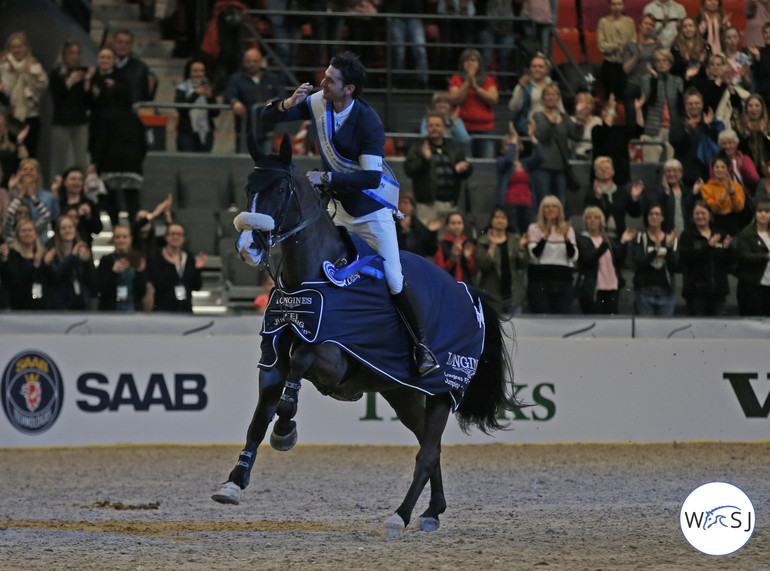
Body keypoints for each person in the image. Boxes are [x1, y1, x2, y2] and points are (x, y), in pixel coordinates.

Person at [261, 51, 440, 375]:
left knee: (395, 279)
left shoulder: (368, 121)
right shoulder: (319, 102)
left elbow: (371, 178)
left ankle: (422, 347)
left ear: (350, 89)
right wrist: (287, 104)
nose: (322, 82)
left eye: (331, 80)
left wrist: (327, 177)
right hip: (337, 208)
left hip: (370, 213)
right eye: (325, 76)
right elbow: (266, 119)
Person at [90, 87, 148, 228]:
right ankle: (133, 231)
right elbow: (144, 144)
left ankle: (116, 228)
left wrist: (95, 162)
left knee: (111, 200)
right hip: (132, 166)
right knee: (132, 201)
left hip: (110, 165)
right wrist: (137, 161)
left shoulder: (105, 116)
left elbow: (99, 142)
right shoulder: (134, 118)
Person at [404, 110, 473, 227]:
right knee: (426, 238)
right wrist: (424, 159)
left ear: (444, 128)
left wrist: (463, 169)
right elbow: (409, 170)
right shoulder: (418, 146)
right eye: (431, 125)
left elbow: (466, 169)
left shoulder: (453, 147)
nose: (434, 128)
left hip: (450, 204)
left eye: (437, 125)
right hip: (427, 205)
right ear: (426, 128)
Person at [532, 84, 586, 208]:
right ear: (543, 98)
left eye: (554, 95)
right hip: (543, 166)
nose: (551, 98)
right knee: (543, 202)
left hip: (561, 166)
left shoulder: (564, 117)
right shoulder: (538, 116)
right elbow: (541, 135)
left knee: (560, 202)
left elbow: (576, 135)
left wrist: (579, 119)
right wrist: (552, 122)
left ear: (558, 98)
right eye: (548, 95)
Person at [678, 200, 735, 315]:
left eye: (703, 213)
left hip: (718, 291)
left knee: (718, 329)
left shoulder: (720, 234)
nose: (700, 216)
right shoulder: (687, 236)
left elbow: (730, 263)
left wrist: (727, 249)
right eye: (697, 213)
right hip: (696, 293)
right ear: (692, 216)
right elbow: (687, 258)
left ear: (710, 215)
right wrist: (708, 246)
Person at [576, 206, 635, 314]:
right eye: (589, 217)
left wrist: (623, 242)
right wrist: (604, 245)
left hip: (612, 286)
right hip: (593, 289)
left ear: (601, 221)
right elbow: (588, 258)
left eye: (596, 217)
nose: (592, 220)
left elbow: (618, 260)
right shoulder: (581, 239)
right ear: (585, 221)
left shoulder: (609, 240)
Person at [224, 47, 283, 153]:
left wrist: (275, 101)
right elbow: (229, 94)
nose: (252, 64)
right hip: (245, 128)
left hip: (268, 128)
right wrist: (235, 102)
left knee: (267, 162)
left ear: (261, 62)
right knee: (244, 163)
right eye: (248, 61)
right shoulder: (236, 79)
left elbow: (282, 94)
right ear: (244, 62)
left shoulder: (272, 78)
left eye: (255, 61)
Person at [526, 196, 578, 314]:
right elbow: (534, 254)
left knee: (561, 317)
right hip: (540, 280)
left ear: (559, 210)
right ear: (542, 210)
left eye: (554, 206)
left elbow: (574, 256)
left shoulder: (567, 229)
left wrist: (565, 239)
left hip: (563, 280)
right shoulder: (534, 228)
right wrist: (546, 235)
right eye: (547, 207)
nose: (550, 209)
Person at [0, 32, 48, 158]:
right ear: (9, 49)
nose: (16, 49)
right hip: (10, 118)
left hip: (30, 117)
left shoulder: (35, 68)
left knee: (29, 156)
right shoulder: (3, 67)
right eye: (13, 46)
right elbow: (4, 92)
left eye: (19, 46)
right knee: (10, 157)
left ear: (26, 48)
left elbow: (41, 88)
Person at [49, 39, 92, 179]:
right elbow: (56, 96)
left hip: (80, 123)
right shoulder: (56, 74)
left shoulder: (84, 73)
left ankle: (80, 193)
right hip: (61, 123)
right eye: (71, 53)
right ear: (65, 55)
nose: (74, 56)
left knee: (81, 161)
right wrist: (69, 82)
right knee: (59, 161)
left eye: (77, 53)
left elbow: (88, 101)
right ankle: (58, 193)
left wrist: (87, 85)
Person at [628, 203, 679, 315]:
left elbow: (675, 265)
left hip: (666, 292)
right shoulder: (640, 238)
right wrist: (655, 251)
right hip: (644, 291)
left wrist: (668, 248)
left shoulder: (670, 239)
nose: (654, 217)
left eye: (657, 214)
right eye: (651, 214)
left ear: (662, 217)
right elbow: (638, 262)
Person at [476, 207, 527, 315]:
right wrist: (492, 247)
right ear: (491, 220)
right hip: (492, 294)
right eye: (497, 217)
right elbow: (483, 266)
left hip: (513, 294)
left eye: (503, 217)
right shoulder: (483, 241)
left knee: (517, 329)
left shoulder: (515, 240)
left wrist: (522, 248)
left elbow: (522, 265)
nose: (500, 220)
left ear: (508, 221)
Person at [146, 223, 207, 313]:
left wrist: (198, 269)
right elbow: (157, 283)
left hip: (185, 310)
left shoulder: (189, 258)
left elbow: (196, 286)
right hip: (163, 310)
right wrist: (172, 266)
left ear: (183, 238)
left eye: (179, 234)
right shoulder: (156, 258)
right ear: (166, 237)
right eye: (172, 234)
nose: (176, 237)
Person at [449, 49, 499, 158]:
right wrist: (467, 82)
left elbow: (493, 100)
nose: (470, 63)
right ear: (462, 64)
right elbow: (455, 99)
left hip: (485, 129)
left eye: (473, 60)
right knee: (465, 163)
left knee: (485, 165)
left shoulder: (488, 80)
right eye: (466, 61)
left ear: (479, 63)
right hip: (462, 129)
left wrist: (476, 87)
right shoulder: (456, 79)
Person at [496, 119, 544, 233]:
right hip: (510, 205)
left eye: (513, 144)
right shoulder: (502, 162)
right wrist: (514, 139)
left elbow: (540, 156)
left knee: (531, 234)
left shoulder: (526, 164)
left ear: (519, 146)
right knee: (513, 235)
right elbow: (509, 158)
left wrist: (532, 136)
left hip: (528, 205)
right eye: (507, 145)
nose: (510, 147)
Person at [669, 89, 724, 186]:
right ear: (685, 106)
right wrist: (687, 132)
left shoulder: (710, 121)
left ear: (702, 104)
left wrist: (707, 126)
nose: (694, 106)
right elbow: (675, 142)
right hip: (686, 174)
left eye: (697, 103)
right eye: (690, 104)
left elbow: (718, 142)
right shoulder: (678, 123)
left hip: (707, 173)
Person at [584, 156, 644, 240]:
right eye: (600, 168)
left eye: (607, 168)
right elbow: (588, 214)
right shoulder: (591, 193)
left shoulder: (622, 192)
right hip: (598, 237)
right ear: (596, 173)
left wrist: (634, 198)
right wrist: (598, 197)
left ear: (613, 172)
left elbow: (635, 213)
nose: (604, 170)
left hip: (620, 236)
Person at [43, 215, 95, 310]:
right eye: (63, 228)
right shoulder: (52, 252)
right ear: (58, 232)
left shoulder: (83, 251)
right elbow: (55, 276)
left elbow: (92, 281)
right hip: (59, 305)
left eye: (70, 227)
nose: (67, 230)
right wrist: (72, 256)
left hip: (81, 303)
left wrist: (86, 262)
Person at [591, 94, 645, 187]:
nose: (608, 113)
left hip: (620, 173)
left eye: (611, 110)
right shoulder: (597, 129)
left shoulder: (621, 130)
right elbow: (606, 128)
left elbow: (639, 129)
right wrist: (611, 107)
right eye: (605, 110)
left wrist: (638, 109)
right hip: (602, 175)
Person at [641, 49, 683, 163]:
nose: (661, 64)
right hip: (654, 130)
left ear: (670, 63)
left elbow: (681, 105)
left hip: (671, 129)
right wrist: (654, 78)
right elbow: (648, 99)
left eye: (664, 60)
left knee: (669, 165)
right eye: (658, 61)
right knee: (653, 165)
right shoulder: (647, 79)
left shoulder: (677, 81)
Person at [689, 53, 749, 129]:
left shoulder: (725, 85)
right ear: (708, 67)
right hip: (707, 122)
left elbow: (737, 104)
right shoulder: (701, 83)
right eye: (712, 65)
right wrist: (719, 80)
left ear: (723, 67)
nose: (715, 67)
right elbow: (710, 101)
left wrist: (729, 86)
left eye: (718, 65)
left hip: (725, 123)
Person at [96, 223, 147, 312]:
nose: (121, 240)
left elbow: (142, 291)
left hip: (132, 306)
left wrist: (140, 272)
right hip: (111, 307)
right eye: (118, 237)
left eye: (124, 237)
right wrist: (113, 272)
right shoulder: (106, 260)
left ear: (130, 239)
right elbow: (100, 288)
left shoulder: (136, 259)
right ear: (113, 239)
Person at [509, 53, 559, 136]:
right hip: (527, 127)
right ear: (530, 69)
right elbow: (513, 108)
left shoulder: (553, 86)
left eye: (540, 67)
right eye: (534, 66)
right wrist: (521, 89)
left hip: (549, 127)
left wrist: (554, 117)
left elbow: (559, 109)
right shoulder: (523, 85)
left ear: (546, 69)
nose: (537, 69)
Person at [174, 59, 219, 152]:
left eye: (202, 71)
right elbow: (181, 109)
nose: (199, 74)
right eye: (195, 71)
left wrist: (210, 98)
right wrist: (195, 95)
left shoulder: (209, 88)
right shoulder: (181, 89)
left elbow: (215, 113)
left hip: (205, 131)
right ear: (189, 72)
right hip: (187, 132)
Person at [383, 1, 429, 89]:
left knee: (420, 49)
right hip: (396, 15)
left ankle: (423, 81)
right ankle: (397, 81)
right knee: (399, 51)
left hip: (415, 15)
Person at [700, 153, 748, 237]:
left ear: (727, 169)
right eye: (717, 167)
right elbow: (712, 209)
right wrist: (725, 194)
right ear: (713, 169)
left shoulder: (736, 187)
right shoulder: (705, 187)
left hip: (733, 224)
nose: (719, 169)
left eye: (723, 167)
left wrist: (732, 193)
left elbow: (739, 208)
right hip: (714, 224)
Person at [0, 219, 45, 309]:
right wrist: (35, 265)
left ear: (35, 233)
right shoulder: (12, 254)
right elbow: (14, 280)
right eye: (24, 231)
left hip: (39, 303)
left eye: (30, 230)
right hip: (16, 303)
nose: (27, 233)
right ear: (18, 235)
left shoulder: (42, 253)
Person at [736, 198, 770, 315]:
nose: (763, 214)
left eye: (767, 211)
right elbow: (744, 255)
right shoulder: (747, 234)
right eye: (760, 211)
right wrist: (765, 256)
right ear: (755, 214)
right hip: (753, 285)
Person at [622, 14, 657, 128]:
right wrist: (637, 54)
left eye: (651, 25)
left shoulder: (656, 45)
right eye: (646, 24)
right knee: (632, 120)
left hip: (649, 85)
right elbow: (625, 69)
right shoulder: (630, 44)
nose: (648, 27)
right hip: (633, 84)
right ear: (640, 26)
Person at [645, 158, 696, 235]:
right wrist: (666, 193)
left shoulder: (687, 192)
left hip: (686, 235)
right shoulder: (657, 192)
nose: (671, 174)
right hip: (665, 235)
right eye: (668, 171)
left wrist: (695, 194)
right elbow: (652, 209)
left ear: (681, 173)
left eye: (675, 171)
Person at [598, 0, 637, 100]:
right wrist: (617, 46)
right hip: (610, 64)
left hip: (627, 64)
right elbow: (601, 45)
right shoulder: (603, 22)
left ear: (623, 6)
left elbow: (634, 42)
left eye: (619, 4)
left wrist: (626, 48)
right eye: (614, 4)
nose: (616, 7)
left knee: (626, 96)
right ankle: (611, 114)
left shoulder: (629, 21)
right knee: (611, 97)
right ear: (610, 6)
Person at [58, 166, 103, 244]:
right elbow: (54, 226)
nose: (76, 182)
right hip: (62, 247)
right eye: (73, 179)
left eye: (79, 180)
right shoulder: (59, 204)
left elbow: (97, 230)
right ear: (64, 182)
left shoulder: (89, 203)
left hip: (84, 246)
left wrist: (89, 216)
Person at [8, 158, 59, 225]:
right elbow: (8, 217)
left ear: (38, 174)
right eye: (24, 169)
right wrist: (11, 189)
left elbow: (54, 217)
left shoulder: (47, 196)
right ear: (19, 173)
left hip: (41, 233)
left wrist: (54, 193)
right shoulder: (14, 195)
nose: (28, 172)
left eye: (32, 169)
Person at [111, 29, 154, 104]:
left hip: (132, 109)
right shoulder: (107, 65)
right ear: (114, 44)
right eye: (120, 42)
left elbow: (145, 96)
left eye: (127, 43)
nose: (123, 46)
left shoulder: (140, 67)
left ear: (131, 46)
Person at [435, 211, 477, 285]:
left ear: (463, 225)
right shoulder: (442, 244)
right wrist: (452, 259)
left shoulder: (468, 243)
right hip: (448, 285)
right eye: (453, 223)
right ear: (447, 226)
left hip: (466, 285)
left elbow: (474, 272)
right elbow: (439, 271)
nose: (456, 226)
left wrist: (468, 259)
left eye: (459, 223)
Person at [715, 129, 760, 196]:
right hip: (726, 198)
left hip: (745, 198)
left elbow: (755, 181)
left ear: (736, 144)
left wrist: (743, 168)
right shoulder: (716, 162)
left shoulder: (745, 159)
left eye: (730, 143)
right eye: (724, 143)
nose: (727, 146)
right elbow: (715, 183)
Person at [395, 191, 438, 258]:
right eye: (399, 203)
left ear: (411, 206)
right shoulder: (390, 223)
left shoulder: (418, 225)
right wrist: (402, 231)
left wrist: (432, 233)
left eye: (405, 202)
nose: (402, 205)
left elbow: (431, 251)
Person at [737, 94, 770, 179]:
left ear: (762, 108)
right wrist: (746, 136)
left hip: (767, 165)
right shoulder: (739, 124)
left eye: (757, 106)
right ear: (746, 109)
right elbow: (738, 148)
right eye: (750, 106)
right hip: (747, 166)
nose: (754, 109)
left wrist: (765, 134)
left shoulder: (768, 125)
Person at [670, 16, 711, 81]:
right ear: (681, 29)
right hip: (682, 81)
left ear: (696, 28)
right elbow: (673, 69)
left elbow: (710, 68)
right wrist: (685, 61)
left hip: (702, 81)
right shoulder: (676, 47)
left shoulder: (705, 46)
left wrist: (701, 62)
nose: (688, 29)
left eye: (690, 26)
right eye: (685, 27)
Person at [0, 113, 29, 188]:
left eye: (1, 126)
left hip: (12, 184)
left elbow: (25, 160)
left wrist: (20, 141)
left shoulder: (12, 146)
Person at [723, 26, 754, 90]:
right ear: (724, 40)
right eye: (729, 37)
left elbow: (749, 84)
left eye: (735, 37)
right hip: (724, 90)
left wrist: (744, 76)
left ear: (738, 38)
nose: (732, 40)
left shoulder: (745, 58)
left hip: (740, 90)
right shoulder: (720, 57)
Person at [748, 23, 770, 111]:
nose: (768, 35)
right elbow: (757, 78)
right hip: (764, 95)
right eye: (765, 32)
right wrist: (757, 58)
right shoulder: (759, 53)